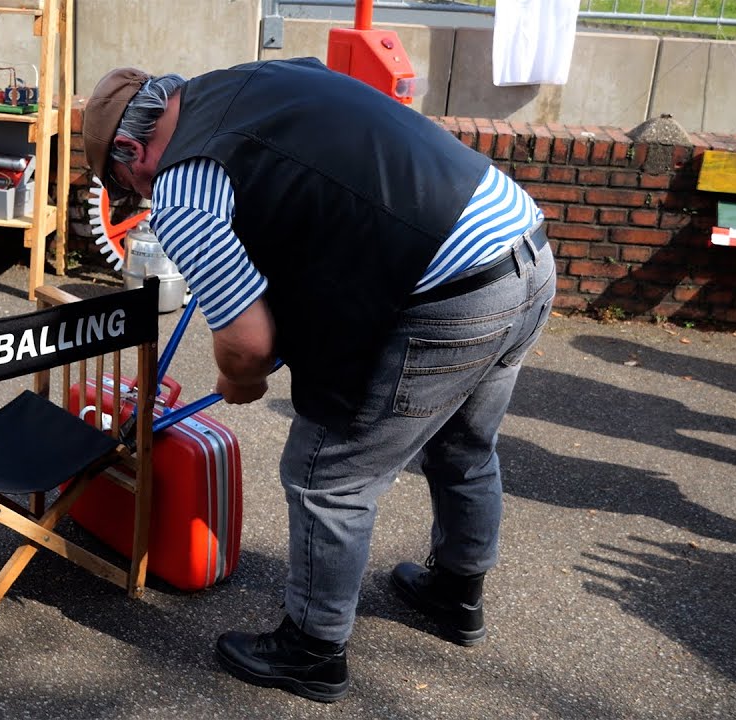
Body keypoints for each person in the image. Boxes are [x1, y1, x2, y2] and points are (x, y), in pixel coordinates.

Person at [82, 57, 556, 703]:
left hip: (450, 290)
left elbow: (248, 347)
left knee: (327, 475)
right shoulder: (252, 81)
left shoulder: (185, 191)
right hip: (523, 248)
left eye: (126, 182)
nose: (140, 194)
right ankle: (456, 593)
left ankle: (312, 649)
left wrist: (239, 380)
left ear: (131, 148)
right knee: (463, 444)